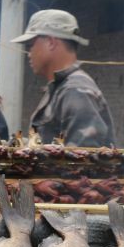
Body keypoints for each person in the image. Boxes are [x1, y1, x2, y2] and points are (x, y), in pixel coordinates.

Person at [11, 9, 115, 147]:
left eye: (31, 46)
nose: (29, 54)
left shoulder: (76, 91)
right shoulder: (61, 88)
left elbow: (80, 162)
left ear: (51, 42)